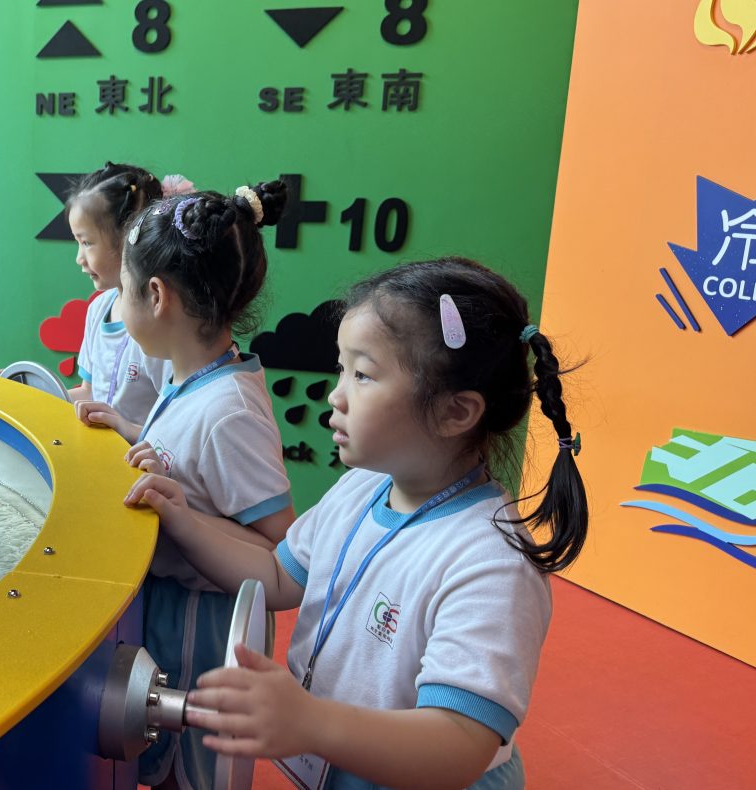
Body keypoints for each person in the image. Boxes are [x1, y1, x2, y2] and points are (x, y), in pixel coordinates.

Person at [127, 257, 588, 790]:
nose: (336, 394)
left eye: (363, 374)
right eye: (341, 368)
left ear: (455, 413)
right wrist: (184, 521)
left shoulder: (490, 563)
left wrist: (312, 722)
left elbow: (461, 743)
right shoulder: (363, 487)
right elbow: (277, 576)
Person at [117, 183, 296, 789]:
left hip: (203, 636)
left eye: (122, 290)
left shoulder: (229, 411)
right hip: (169, 615)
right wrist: (128, 433)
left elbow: (279, 550)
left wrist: (185, 516)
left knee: (185, 771)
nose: (116, 305)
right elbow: (189, 466)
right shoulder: (189, 377)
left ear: (156, 295)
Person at [66, 162, 172, 443]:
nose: (79, 258)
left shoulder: (163, 326)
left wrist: (123, 427)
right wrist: (31, 390)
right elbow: (89, 392)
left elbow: (176, 435)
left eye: (87, 243)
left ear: (128, 240)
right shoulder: (98, 308)